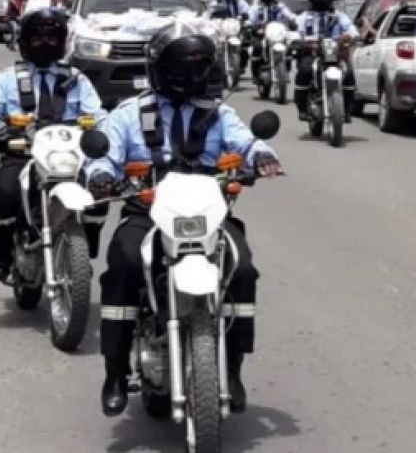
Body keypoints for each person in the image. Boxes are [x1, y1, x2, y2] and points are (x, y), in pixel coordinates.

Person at [85, 25, 281, 417]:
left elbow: (246, 141)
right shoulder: (129, 113)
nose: (189, 78)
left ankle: (232, 368)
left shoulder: (219, 113)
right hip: (147, 211)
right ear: (159, 68)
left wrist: (262, 156)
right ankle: (115, 372)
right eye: (180, 69)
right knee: (124, 265)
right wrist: (101, 176)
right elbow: (103, 156)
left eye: (197, 69)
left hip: (206, 212)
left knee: (242, 270)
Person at [0, 9, 108, 282]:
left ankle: (83, 252)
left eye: (52, 38)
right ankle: (1, 257)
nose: (45, 44)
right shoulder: (8, 78)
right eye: (38, 38)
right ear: (25, 41)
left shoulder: (76, 79)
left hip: (69, 157)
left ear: (62, 42)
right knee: (3, 194)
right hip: (23, 154)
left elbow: (98, 114)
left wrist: (103, 132)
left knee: (100, 192)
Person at [292, 0, 357, 122]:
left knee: (348, 74)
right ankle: (302, 108)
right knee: (304, 70)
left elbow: (351, 30)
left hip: (335, 54)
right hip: (312, 53)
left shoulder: (339, 16)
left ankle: (347, 110)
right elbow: (295, 31)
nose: (321, 0)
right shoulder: (304, 17)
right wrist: (298, 41)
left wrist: (351, 37)